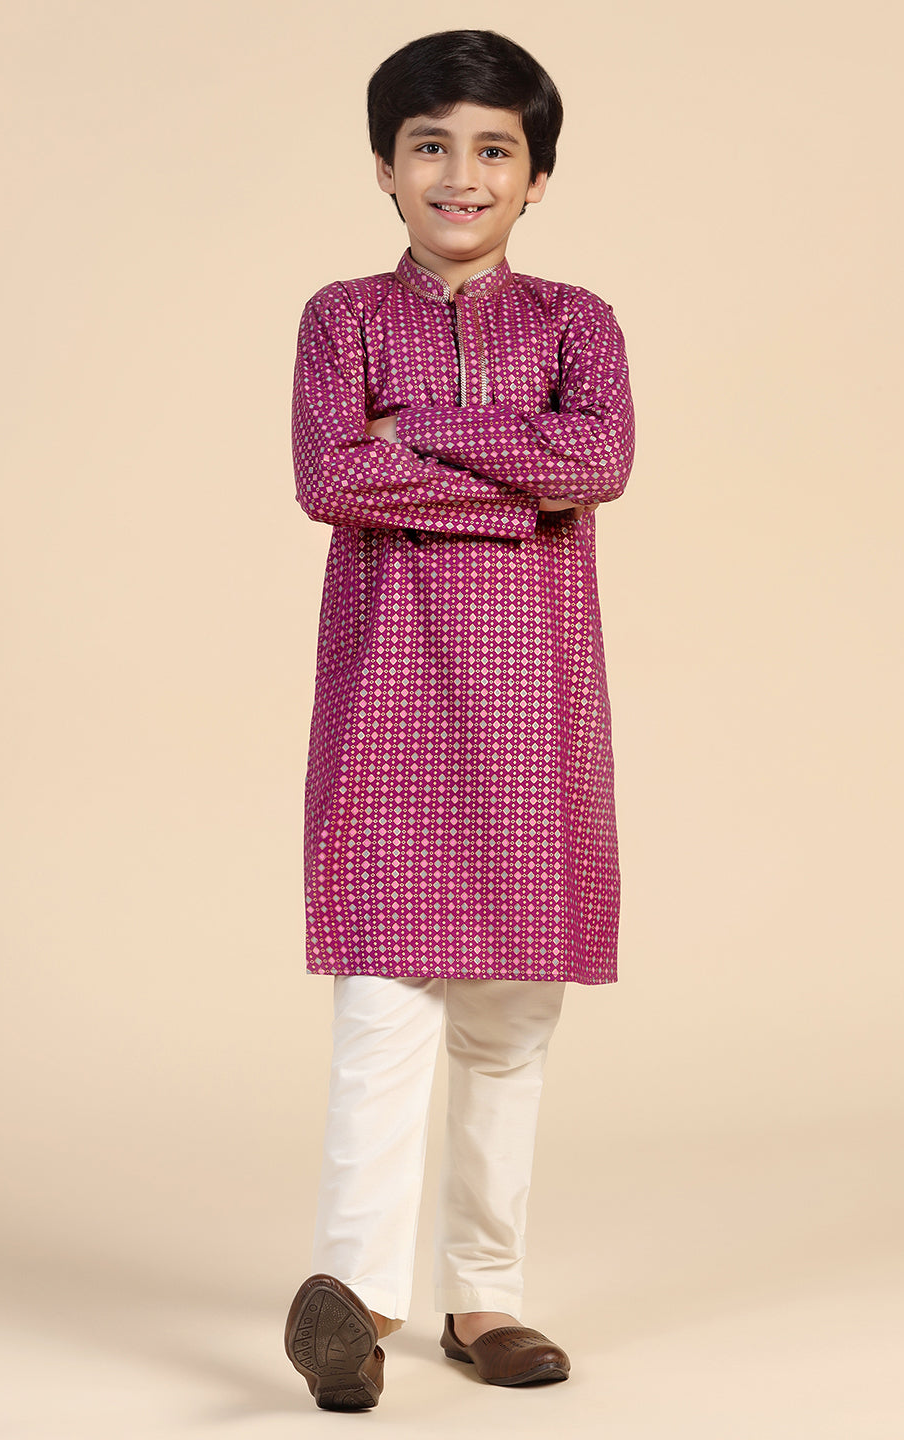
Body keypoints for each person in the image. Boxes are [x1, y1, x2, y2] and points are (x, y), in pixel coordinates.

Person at [283, 28, 635, 1411]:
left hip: (536, 711)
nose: (460, 173)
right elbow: (330, 478)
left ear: (537, 176)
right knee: (382, 1011)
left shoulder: (578, 324)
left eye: (494, 148)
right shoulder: (341, 319)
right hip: (390, 704)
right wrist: (519, 479)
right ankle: (357, 1301)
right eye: (429, 145)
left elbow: (599, 457)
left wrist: (416, 431)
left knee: (507, 1025)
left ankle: (484, 1298)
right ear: (385, 166)